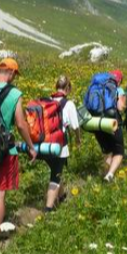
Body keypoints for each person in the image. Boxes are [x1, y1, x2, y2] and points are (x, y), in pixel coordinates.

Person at [0, 58, 37, 243]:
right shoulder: (14, 93)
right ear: (13, 73)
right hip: (3, 150)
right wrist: (31, 146)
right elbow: (21, 124)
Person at [43, 75, 81, 213]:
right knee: (56, 175)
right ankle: (48, 209)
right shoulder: (68, 104)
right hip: (60, 145)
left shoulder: (48, 101)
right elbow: (75, 126)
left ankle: (62, 195)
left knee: (57, 171)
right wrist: (78, 139)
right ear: (67, 88)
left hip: (44, 144)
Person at [92, 70, 127, 182]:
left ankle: (104, 174)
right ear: (119, 80)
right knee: (119, 151)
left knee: (108, 151)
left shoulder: (98, 88)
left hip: (97, 123)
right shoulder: (118, 89)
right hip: (112, 123)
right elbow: (120, 107)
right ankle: (110, 175)